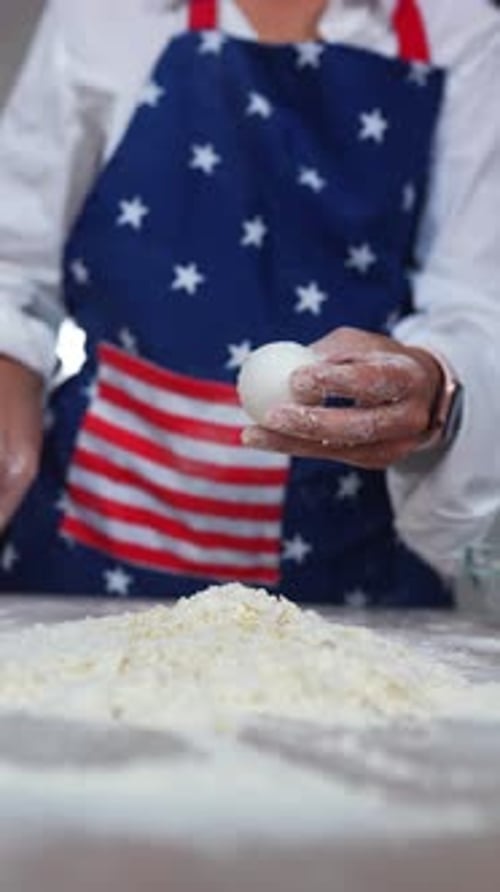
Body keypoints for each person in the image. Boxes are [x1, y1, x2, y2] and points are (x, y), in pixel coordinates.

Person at [0, 0, 499, 606]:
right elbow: (12, 260)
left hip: (349, 584)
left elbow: (476, 307)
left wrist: (432, 386)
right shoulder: (103, 13)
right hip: (89, 550)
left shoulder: (464, 35)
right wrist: (8, 367)